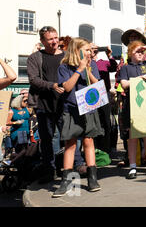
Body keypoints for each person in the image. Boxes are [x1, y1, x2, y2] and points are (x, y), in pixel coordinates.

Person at [27, 26, 85, 184]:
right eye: (50, 39)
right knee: (46, 140)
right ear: (42, 41)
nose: (54, 42)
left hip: (65, 103)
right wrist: (52, 85)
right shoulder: (34, 58)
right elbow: (33, 79)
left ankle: (78, 165)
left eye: (55, 38)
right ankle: (49, 170)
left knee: (71, 136)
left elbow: (77, 73)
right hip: (44, 104)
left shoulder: (67, 55)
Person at [53, 37, 104, 197]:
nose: (91, 52)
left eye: (90, 49)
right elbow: (67, 87)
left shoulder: (92, 65)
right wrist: (79, 70)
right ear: (77, 50)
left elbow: (98, 85)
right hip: (71, 109)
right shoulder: (64, 67)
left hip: (88, 108)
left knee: (89, 141)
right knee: (71, 144)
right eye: (87, 49)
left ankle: (92, 178)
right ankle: (66, 181)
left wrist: (88, 70)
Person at [118, 40, 146, 179]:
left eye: (142, 52)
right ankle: (132, 167)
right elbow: (124, 84)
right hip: (132, 105)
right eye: (137, 51)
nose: (140, 54)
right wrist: (139, 78)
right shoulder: (126, 67)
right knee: (133, 137)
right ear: (131, 53)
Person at [91, 44, 118, 155]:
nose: (94, 50)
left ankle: (106, 148)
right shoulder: (85, 62)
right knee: (94, 122)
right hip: (91, 94)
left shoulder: (103, 62)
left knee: (106, 121)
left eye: (95, 48)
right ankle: (95, 148)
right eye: (91, 48)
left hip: (103, 93)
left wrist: (109, 55)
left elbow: (114, 67)